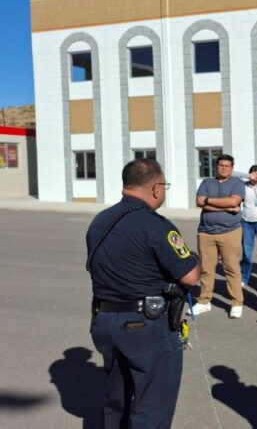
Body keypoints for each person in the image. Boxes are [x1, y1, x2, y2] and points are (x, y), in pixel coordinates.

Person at [87, 159, 201, 427]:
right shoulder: (156, 225)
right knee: (152, 405)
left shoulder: (100, 220)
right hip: (145, 326)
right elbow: (190, 276)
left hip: (104, 320)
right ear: (156, 187)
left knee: (117, 399)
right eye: (165, 186)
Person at [191, 154, 246, 318]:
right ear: (216, 166)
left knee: (231, 268)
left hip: (230, 232)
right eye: (220, 165)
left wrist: (209, 201)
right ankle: (204, 301)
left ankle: (236, 302)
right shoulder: (207, 182)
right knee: (206, 269)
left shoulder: (237, 183)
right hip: (206, 232)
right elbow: (199, 202)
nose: (223, 168)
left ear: (232, 168)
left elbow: (233, 202)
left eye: (226, 166)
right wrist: (227, 208)